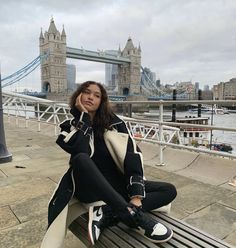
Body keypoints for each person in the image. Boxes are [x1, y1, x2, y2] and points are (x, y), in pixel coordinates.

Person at [40, 81, 177, 248]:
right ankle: (137, 218)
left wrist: (135, 196)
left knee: (169, 190)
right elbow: (79, 149)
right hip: (89, 189)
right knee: (80, 159)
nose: (91, 97)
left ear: (102, 102)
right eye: (86, 92)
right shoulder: (68, 127)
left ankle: (108, 213)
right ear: (78, 96)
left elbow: (132, 157)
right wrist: (83, 118)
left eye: (97, 95)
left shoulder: (115, 124)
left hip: (117, 186)